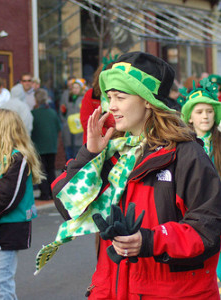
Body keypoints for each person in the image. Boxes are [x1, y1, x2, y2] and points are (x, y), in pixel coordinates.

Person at [35, 52, 221, 299]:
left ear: (147, 100)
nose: (111, 105)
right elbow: (68, 206)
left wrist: (150, 241)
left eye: (120, 97)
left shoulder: (186, 154)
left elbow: (208, 230)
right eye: (109, 97)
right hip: (111, 289)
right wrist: (88, 154)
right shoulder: (112, 152)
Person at [0, 108, 44, 299]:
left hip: (10, 229)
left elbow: (7, 199)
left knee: (2, 284)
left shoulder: (17, 159)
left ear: (2, 129)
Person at [180, 77, 221, 282]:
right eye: (199, 112)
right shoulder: (182, 147)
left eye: (210, 111)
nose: (205, 116)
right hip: (195, 218)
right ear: (189, 118)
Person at [31, 88, 61, 201]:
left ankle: (44, 193)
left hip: (39, 145)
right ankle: (53, 192)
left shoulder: (34, 114)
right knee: (51, 169)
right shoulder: (52, 113)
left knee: (41, 170)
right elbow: (58, 127)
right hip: (52, 145)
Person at [60, 79, 85, 160]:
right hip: (68, 127)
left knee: (78, 150)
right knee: (69, 149)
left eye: (77, 87)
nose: (75, 89)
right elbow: (62, 111)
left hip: (79, 128)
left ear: (81, 88)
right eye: (73, 87)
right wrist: (64, 120)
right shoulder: (67, 97)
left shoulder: (84, 98)